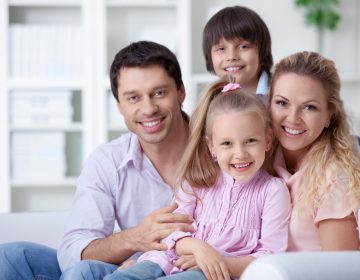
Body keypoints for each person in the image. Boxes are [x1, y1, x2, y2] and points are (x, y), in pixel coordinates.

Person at [0, 41, 193, 280]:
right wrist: (135, 238)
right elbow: (72, 250)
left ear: (181, 92)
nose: (149, 108)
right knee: (10, 258)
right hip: (126, 269)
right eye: (133, 98)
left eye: (159, 93)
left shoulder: (224, 145)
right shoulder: (109, 160)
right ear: (119, 106)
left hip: (192, 267)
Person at [104, 78, 291, 280]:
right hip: (164, 260)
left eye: (250, 141)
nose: (240, 153)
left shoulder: (273, 190)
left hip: (213, 275)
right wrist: (198, 248)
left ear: (268, 140)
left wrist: (215, 260)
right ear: (212, 147)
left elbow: (270, 257)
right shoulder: (196, 180)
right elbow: (171, 232)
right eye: (227, 143)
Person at [269, 51, 360, 251]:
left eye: (309, 107)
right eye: (282, 103)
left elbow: (340, 270)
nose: (293, 118)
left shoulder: (334, 177)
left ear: (329, 115)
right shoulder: (258, 160)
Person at [202, 6, 273, 97]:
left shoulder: (280, 94)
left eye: (243, 47)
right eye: (221, 49)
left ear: (262, 52)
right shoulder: (211, 98)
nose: (231, 56)